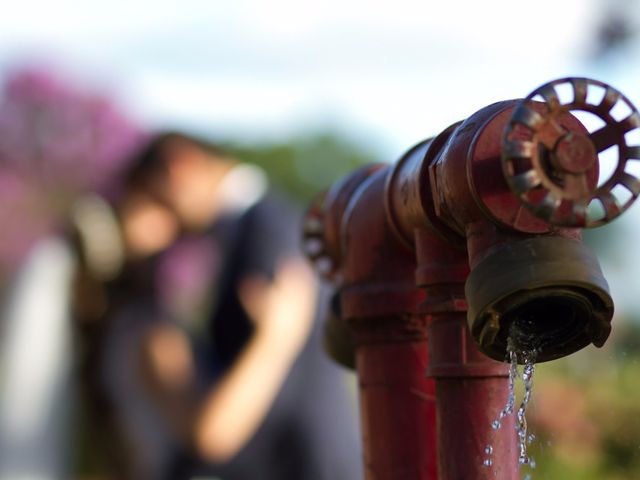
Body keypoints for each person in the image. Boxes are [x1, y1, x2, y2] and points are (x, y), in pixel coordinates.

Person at [97, 132, 362, 479]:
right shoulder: (243, 234)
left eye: (157, 199)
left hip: (303, 464)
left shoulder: (265, 231)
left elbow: (284, 385)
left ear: (180, 166)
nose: (168, 224)